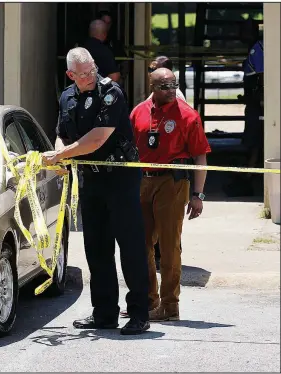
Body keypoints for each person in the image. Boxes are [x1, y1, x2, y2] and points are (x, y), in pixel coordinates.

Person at [42, 47, 150, 335]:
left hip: (120, 178)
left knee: (130, 247)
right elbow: (62, 134)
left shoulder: (110, 92)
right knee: (97, 248)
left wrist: (63, 155)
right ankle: (104, 313)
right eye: (84, 73)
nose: (90, 76)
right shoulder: (67, 96)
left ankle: (139, 313)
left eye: (92, 70)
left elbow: (97, 139)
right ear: (70, 74)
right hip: (91, 180)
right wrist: (58, 155)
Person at [130, 68, 211, 321]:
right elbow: (129, 149)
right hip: (142, 181)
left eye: (174, 85)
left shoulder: (188, 116)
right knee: (140, 245)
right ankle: (147, 301)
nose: (171, 90)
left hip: (172, 183)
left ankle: (170, 305)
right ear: (152, 87)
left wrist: (198, 194)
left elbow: (200, 155)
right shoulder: (138, 112)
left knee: (169, 246)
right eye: (165, 86)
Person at [147, 56, 186, 270]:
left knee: (170, 226)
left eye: (155, 69)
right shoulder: (154, 96)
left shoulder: (173, 97)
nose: (150, 72)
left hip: (171, 173)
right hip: (152, 173)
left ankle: (169, 263)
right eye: (150, 69)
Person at [224, 19, 264, 197]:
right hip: (255, 102)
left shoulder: (260, 47)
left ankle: (249, 177)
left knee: (255, 141)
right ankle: (249, 175)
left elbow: (263, 78)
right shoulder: (256, 48)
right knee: (253, 142)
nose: (241, 35)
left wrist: (262, 103)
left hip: (260, 105)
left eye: (245, 31)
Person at [98, 10, 129, 85]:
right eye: (104, 22)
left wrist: (122, 78)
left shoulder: (114, 42)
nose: (106, 25)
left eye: (109, 23)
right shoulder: (88, 41)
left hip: (109, 83)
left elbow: (124, 61)